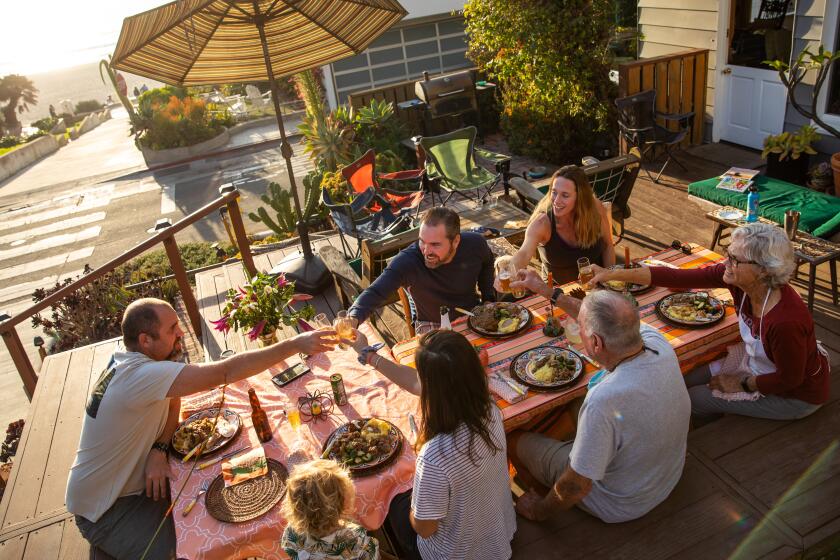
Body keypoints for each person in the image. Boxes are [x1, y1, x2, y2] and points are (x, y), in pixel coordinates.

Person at [65, 298, 336, 560]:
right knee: (190, 552)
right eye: (172, 329)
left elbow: (174, 400)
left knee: (225, 500)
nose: (181, 333)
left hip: (138, 482)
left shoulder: (136, 361)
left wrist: (160, 448)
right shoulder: (139, 377)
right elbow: (225, 372)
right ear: (145, 340)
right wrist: (294, 343)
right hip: (106, 511)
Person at [590, 223, 829, 423]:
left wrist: (740, 383)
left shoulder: (785, 321)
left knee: (692, 399)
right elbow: (675, 277)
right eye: (728, 254)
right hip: (759, 365)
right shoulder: (737, 281)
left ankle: (707, 436)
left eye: (735, 259)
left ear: (764, 271)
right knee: (680, 381)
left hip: (795, 396)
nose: (726, 263)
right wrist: (610, 274)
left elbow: (790, 379)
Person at [508, 273, 690, 523]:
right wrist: (548, 292)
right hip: (665, 477)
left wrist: (539, 512)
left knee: (513, 437)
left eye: (581, 328)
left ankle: (538, 496)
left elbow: (576, 487)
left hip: (621, 502)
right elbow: (595, 314)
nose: (578, 330)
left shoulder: (603, 401)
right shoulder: (657, 342)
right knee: (573, 400)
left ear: (595, 343)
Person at [351, 329, 516, 559]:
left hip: (457, 554)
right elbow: (414, 382)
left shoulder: (434, 457)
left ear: (432, 389)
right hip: (497, 537)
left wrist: (416, 498)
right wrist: (368, 355)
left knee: (392, 501)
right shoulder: (490, 409)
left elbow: (425, 529)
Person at [348, 207, 495, 333]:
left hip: (473, 314)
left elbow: (488, 263)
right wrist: (352, 318)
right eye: (422, 241)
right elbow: (376, 291)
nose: (426, 251)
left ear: (455, 241)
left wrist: (488, 297)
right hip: (432, 325)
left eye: (435, 244)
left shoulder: (475, 244)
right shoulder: (408, 261)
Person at [503, 165, 615, 285]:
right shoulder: (541, 224)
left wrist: (611, 280)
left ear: (580, 197)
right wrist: (507, 274)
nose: (556, 201)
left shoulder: (594, 208)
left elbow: (608, 245)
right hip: (559, 293)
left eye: (565, 195)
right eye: (554, 192)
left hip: (598, 285)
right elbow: (523, 253)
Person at [281, 459, 380, 560]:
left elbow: (290, 550)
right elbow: (372, 556)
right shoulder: (358, 541)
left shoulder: (291, 532)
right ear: (343, 503)